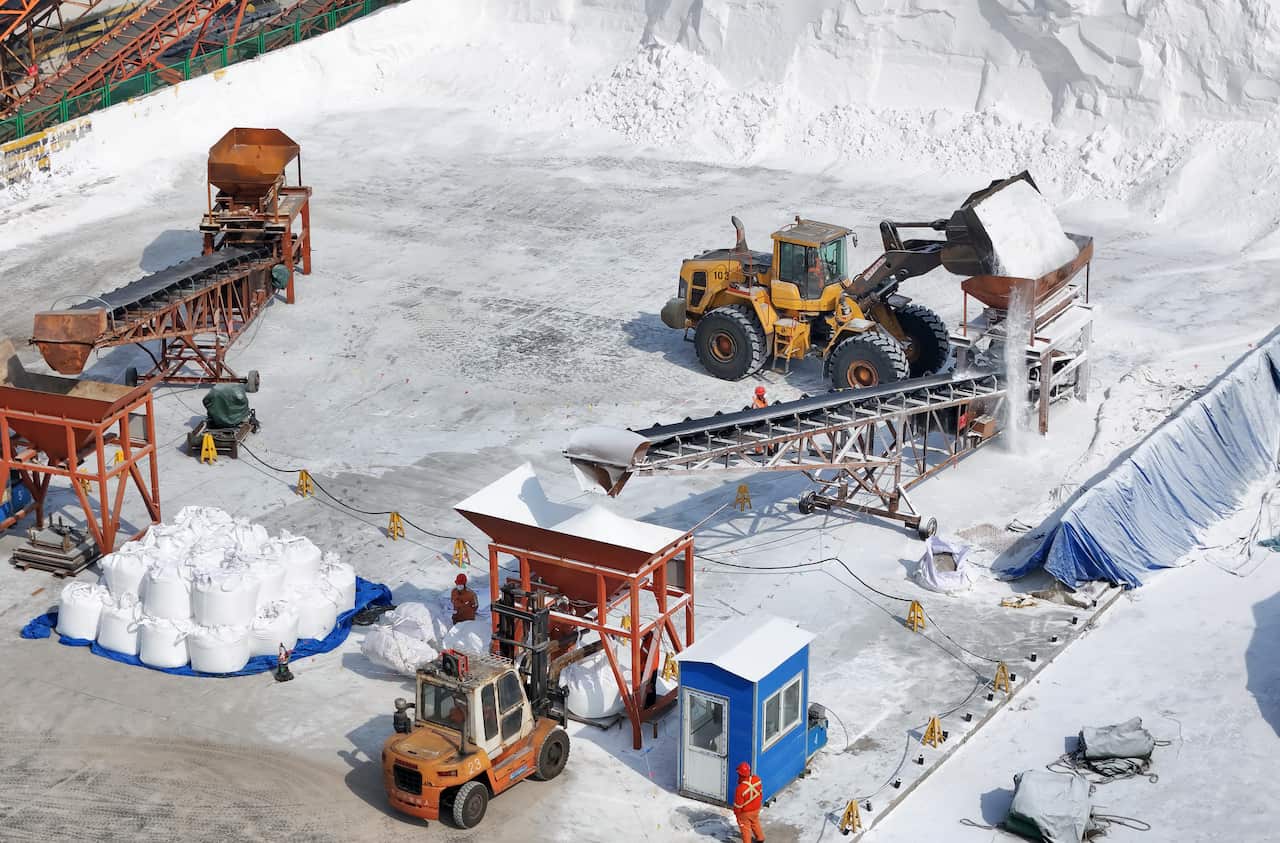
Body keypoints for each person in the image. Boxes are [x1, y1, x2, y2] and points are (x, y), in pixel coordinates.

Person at [733, 761, 765, 843]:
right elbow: (760, 793)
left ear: (740, 775)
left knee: (745, 829)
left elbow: (738, 805)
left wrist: (737, 814)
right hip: (756, 808)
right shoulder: (757, 779)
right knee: (755, 822)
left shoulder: (740, 789)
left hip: (745, 813)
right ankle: (760, 838)